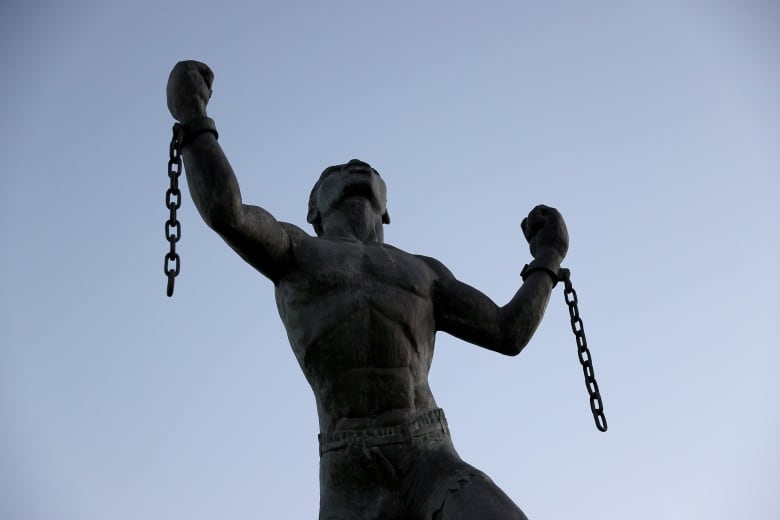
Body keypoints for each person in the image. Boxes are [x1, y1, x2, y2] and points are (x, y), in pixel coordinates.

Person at [167, 60, 569, 520]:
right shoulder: (296, 250)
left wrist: (548, 259)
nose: (356, 167)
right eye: (335, 170)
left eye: (367, 168)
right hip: (348, 471)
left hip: (431, 455)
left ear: (387, 207)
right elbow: (228, 213)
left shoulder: (424, 272)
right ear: (314, 208)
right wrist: (193, 117)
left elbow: (506, 331)